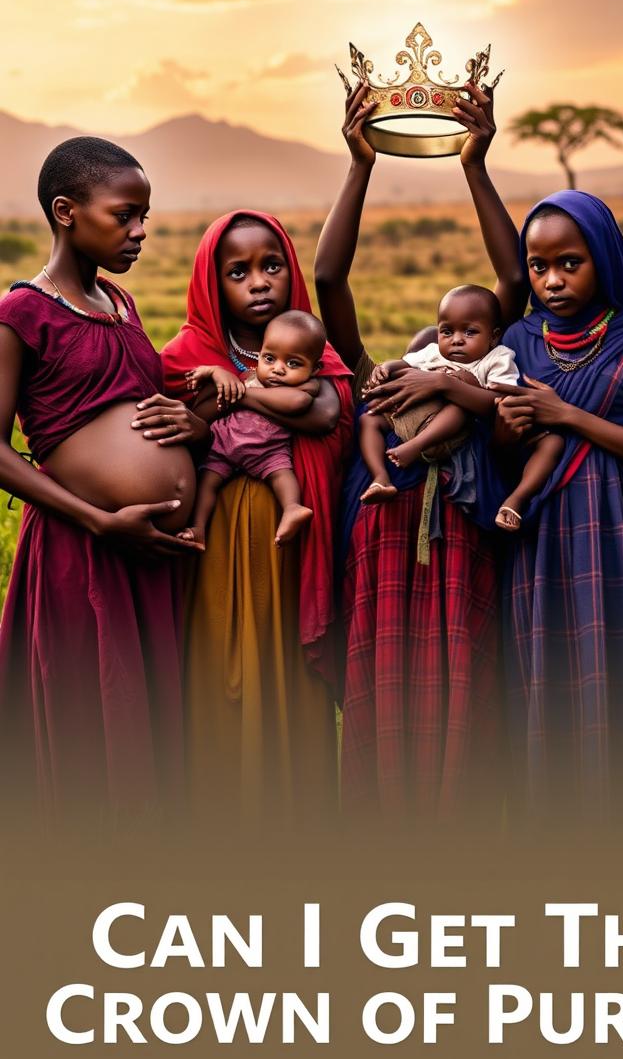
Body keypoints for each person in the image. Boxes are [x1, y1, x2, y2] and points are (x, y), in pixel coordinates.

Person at [315, 80, 527, 817]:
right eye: (431, 343)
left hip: (457, 528)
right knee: (384, 684)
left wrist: (475, 163)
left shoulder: (481, 383)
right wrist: (360, 163)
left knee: (463, 675)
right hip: (384, 528)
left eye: (460, 339)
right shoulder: (384, 381)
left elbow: (512, 281)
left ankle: (461, 827)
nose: (438, 352)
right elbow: (328, 278)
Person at [0, 137, 206, 812]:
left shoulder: (122, 305)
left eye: (145, 214)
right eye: (125, 215)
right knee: (94, 727)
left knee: (149, 729)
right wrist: (100, 521)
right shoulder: (22, 312)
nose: (141, 231)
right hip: (84, 548)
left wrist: (193, 426)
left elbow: (136, 410)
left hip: (148, 554)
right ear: (66, 211)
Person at [496, 191, 623, 822]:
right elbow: (501, 446)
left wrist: (567, 414)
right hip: (541, 535)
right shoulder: (517, 339)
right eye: (539, 265)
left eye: (571, 263)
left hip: (617, 534)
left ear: (603, 258)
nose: (553, 280)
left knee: (620, 670)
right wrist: (510, 422)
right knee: (546, 670)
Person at [161, 211, 352, 821]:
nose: (259, 282)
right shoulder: (186, 356)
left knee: (288, 672)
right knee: (219, 664)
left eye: (271, 265)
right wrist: (200, 415)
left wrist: (227, 398)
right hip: (215, 538)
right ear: (210, 283)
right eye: (237, 272)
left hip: (290, 538)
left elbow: (322, 412)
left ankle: (297, 821)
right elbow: (165, 424)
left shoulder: (311, 347)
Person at [358, 283, 563, 529]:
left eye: (469, 332)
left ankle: (414, 448)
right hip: (411, 417)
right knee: (368, 417)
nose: (456, 340)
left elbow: (499, 399)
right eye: (447, 331)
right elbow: (405, 364)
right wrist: (386, 369)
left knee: (459, 407)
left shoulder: (496, 359)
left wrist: (451, 385)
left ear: (494, 336)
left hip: (451, 430)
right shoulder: (433, 353)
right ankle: (380, 477)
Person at [180, 310, 326, 546]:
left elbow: (297, 403)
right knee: (207, 483)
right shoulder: (248, 375)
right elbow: (216, 394)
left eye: (293, 363)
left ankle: (292, 508)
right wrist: (213, 371)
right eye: (269, 358)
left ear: (315, 368)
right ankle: (198, 528)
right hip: (224, 445)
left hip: (267, 450)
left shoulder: (307, 386)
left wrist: (245, 393)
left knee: (283, 476)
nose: (278, 369)